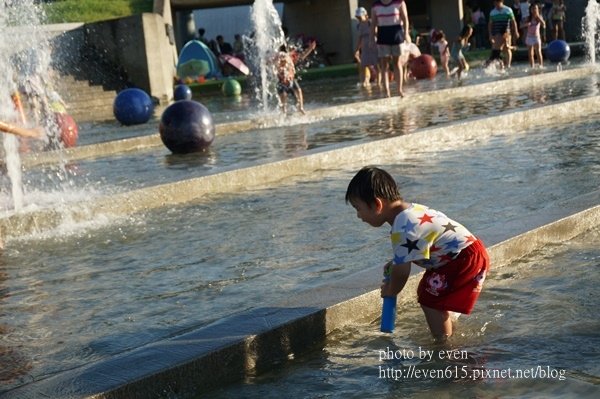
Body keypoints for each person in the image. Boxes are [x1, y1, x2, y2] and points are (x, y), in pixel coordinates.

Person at [345, 167, 490, 342]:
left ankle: (443, 345)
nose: (358, 216)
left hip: (461, 259)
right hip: (464, 254)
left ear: (377, 204)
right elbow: (418, 247)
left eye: (358, 208)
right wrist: (396, 261)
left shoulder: (403, 225)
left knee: (430, 300)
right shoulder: (410, 212)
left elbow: (402, 272)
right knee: (432, 294)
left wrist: (390, 291)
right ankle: (449, 332)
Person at [371, 0, 411, 98]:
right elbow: (373, 23)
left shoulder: (399, 2)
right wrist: (371, 38)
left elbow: (405, 18)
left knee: (397, 63)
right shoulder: (375, 6)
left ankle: (399, 90)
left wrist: (406, 33)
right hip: (382, 35)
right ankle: (386, 92)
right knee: (384, 65)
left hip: (396, 35)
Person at [275, 40, 316, 114]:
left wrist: (310, 49)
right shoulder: (280, 58)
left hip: (291, 79)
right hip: (282, 81)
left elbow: (302, 56)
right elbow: (276, 65)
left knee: (298, 91)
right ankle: (283, 110)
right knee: (283, 95)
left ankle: (300, 107)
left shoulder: (290, 57)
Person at [487, 0, 519, 69]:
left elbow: (513, 21)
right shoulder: (493, 12)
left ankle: (508, 64)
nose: (495, 4)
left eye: (497, 2)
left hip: (506, 32)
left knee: (506, 49)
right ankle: (499, 64)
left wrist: (516, 31)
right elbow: (490, 24)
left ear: (501, 2)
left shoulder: (508, 10)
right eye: (495, 2)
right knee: (497, 49)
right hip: (496, 33)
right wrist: (490, 35)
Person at [354, 7, 380, 87]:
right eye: (357, 17)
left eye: (360, 17)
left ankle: (379, 82)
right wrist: (356, 50)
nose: (358, 18)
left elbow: (377, 34)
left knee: (376, 65)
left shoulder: (371, 23)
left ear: (365, 15)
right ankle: (365, 81)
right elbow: (359, 38)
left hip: (373, 46)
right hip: (365, 48)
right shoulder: (359, 26)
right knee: (363, 65)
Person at [525, 2, 545, 68]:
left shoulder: (539, 17)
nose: (534, 10)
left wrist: (538, 18)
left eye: (535, 8)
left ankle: (541, 66)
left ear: (538, 9)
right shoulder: (528, 18)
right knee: (530, 54)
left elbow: (544, 25)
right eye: (533, 9)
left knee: (538, 52)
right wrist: (526, 24)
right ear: (530, 10)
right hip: (529, 37)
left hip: (536, 37)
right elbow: (522, 25)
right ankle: (532, 66)